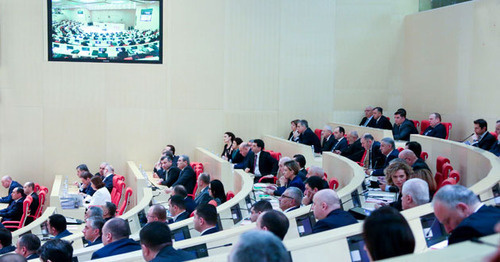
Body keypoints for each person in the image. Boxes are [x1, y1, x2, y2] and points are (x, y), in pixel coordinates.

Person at [432, 185, 500, 245]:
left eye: (447, 221)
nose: (447, 230)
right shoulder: (497, 211)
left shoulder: (464, 233)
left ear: (462, 208)